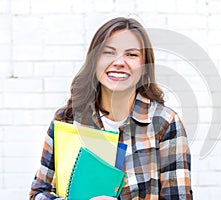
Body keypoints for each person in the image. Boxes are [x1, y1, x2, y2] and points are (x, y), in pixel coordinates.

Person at [29, 17, 193, 200]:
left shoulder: (165, 123)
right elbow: (38, 193)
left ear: (145, 66)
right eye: (108, 52)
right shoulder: (66, 119)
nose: (119, 62)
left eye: (132, 54)